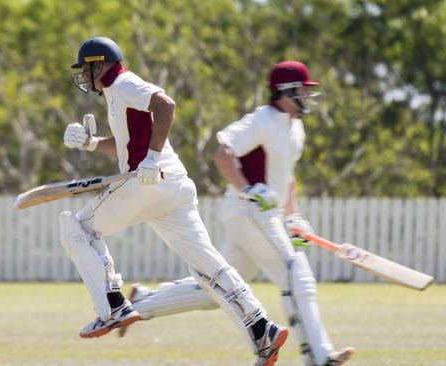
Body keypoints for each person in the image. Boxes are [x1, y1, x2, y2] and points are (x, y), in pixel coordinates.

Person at [61, 36, 288, 365]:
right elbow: (126, 144)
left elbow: (165, 105)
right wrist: (92, 143)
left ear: (100, 63)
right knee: (208, 267)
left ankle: (112, 305)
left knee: (76, 226)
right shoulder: (116, 92)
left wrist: (151, 159)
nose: (84, 75)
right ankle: (260, 327)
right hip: (173, 186)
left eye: (86, 67)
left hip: (148, 182)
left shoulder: (123, 82)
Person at [119, 61, 355, 366]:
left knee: (217, 290)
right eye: (301, 90)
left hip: (264, 215)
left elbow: (287, 176)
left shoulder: (295, 129)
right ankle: (319, 356)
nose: (306, 97)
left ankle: (142, 303)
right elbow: (223, 154)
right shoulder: (263, 119)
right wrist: (248, 189)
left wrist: (293, 216)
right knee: (297, 275)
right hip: (249, 211)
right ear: (284, 92)